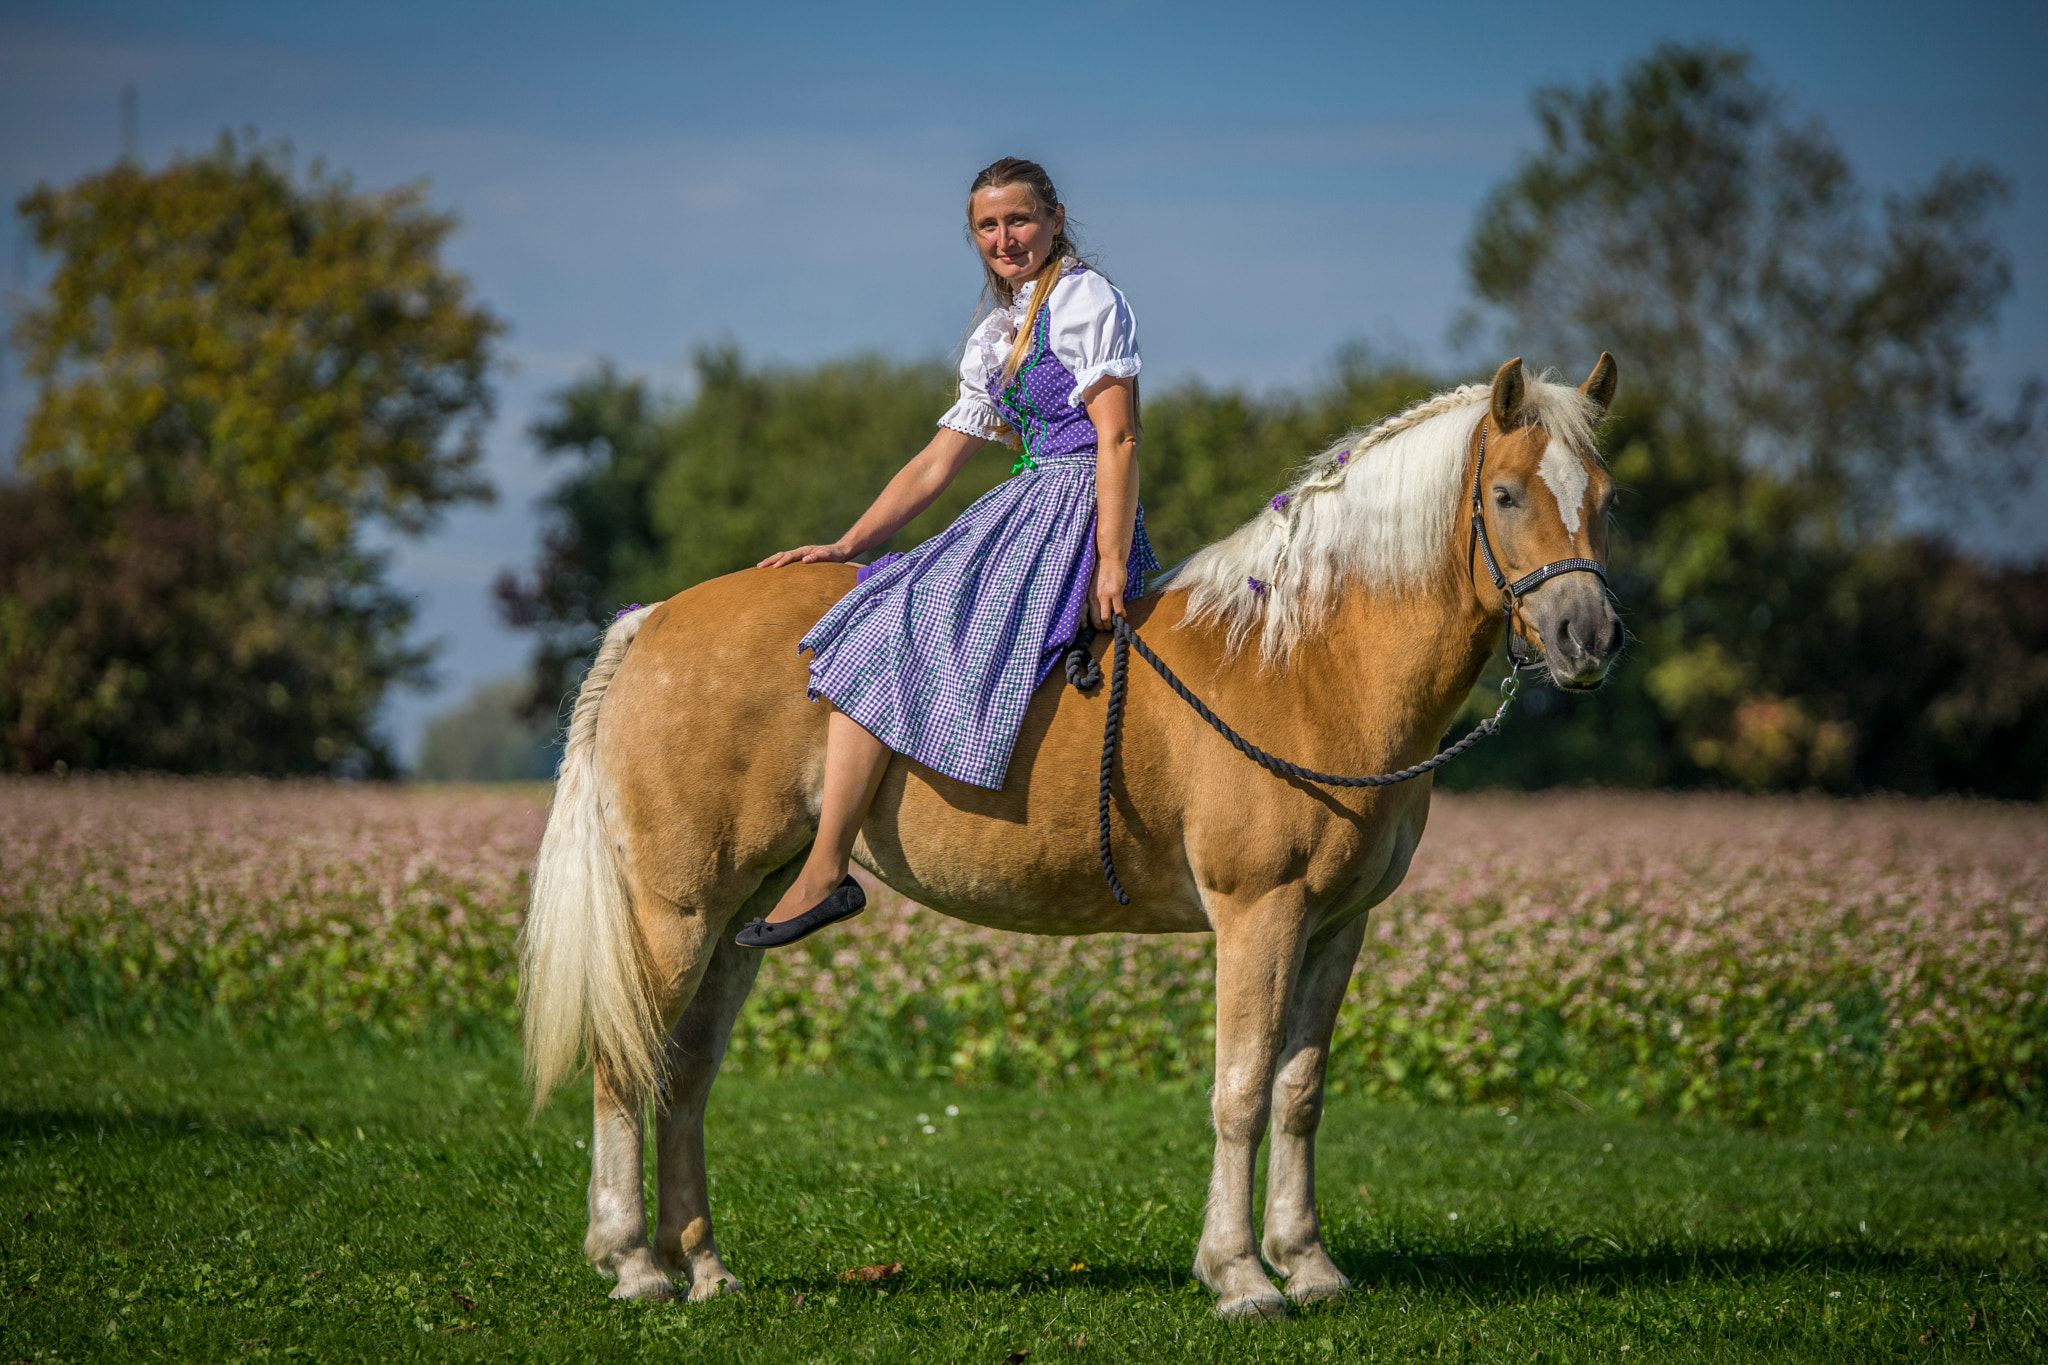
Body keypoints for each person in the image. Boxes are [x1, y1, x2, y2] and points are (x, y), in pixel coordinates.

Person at [737, 156, 1160, 949]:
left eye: (1020, 220)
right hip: (1028, 501)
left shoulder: (1083, 300)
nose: (1006, 238)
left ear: (1056, 218)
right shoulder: (1002, 328)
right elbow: (937, 461)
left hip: (1072, 505)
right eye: (988, 227)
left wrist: (1108, 558)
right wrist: (847, 542)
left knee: (903, 615)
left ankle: (828, 867)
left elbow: (1120, 436)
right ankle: (832, 858)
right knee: (872, 600)